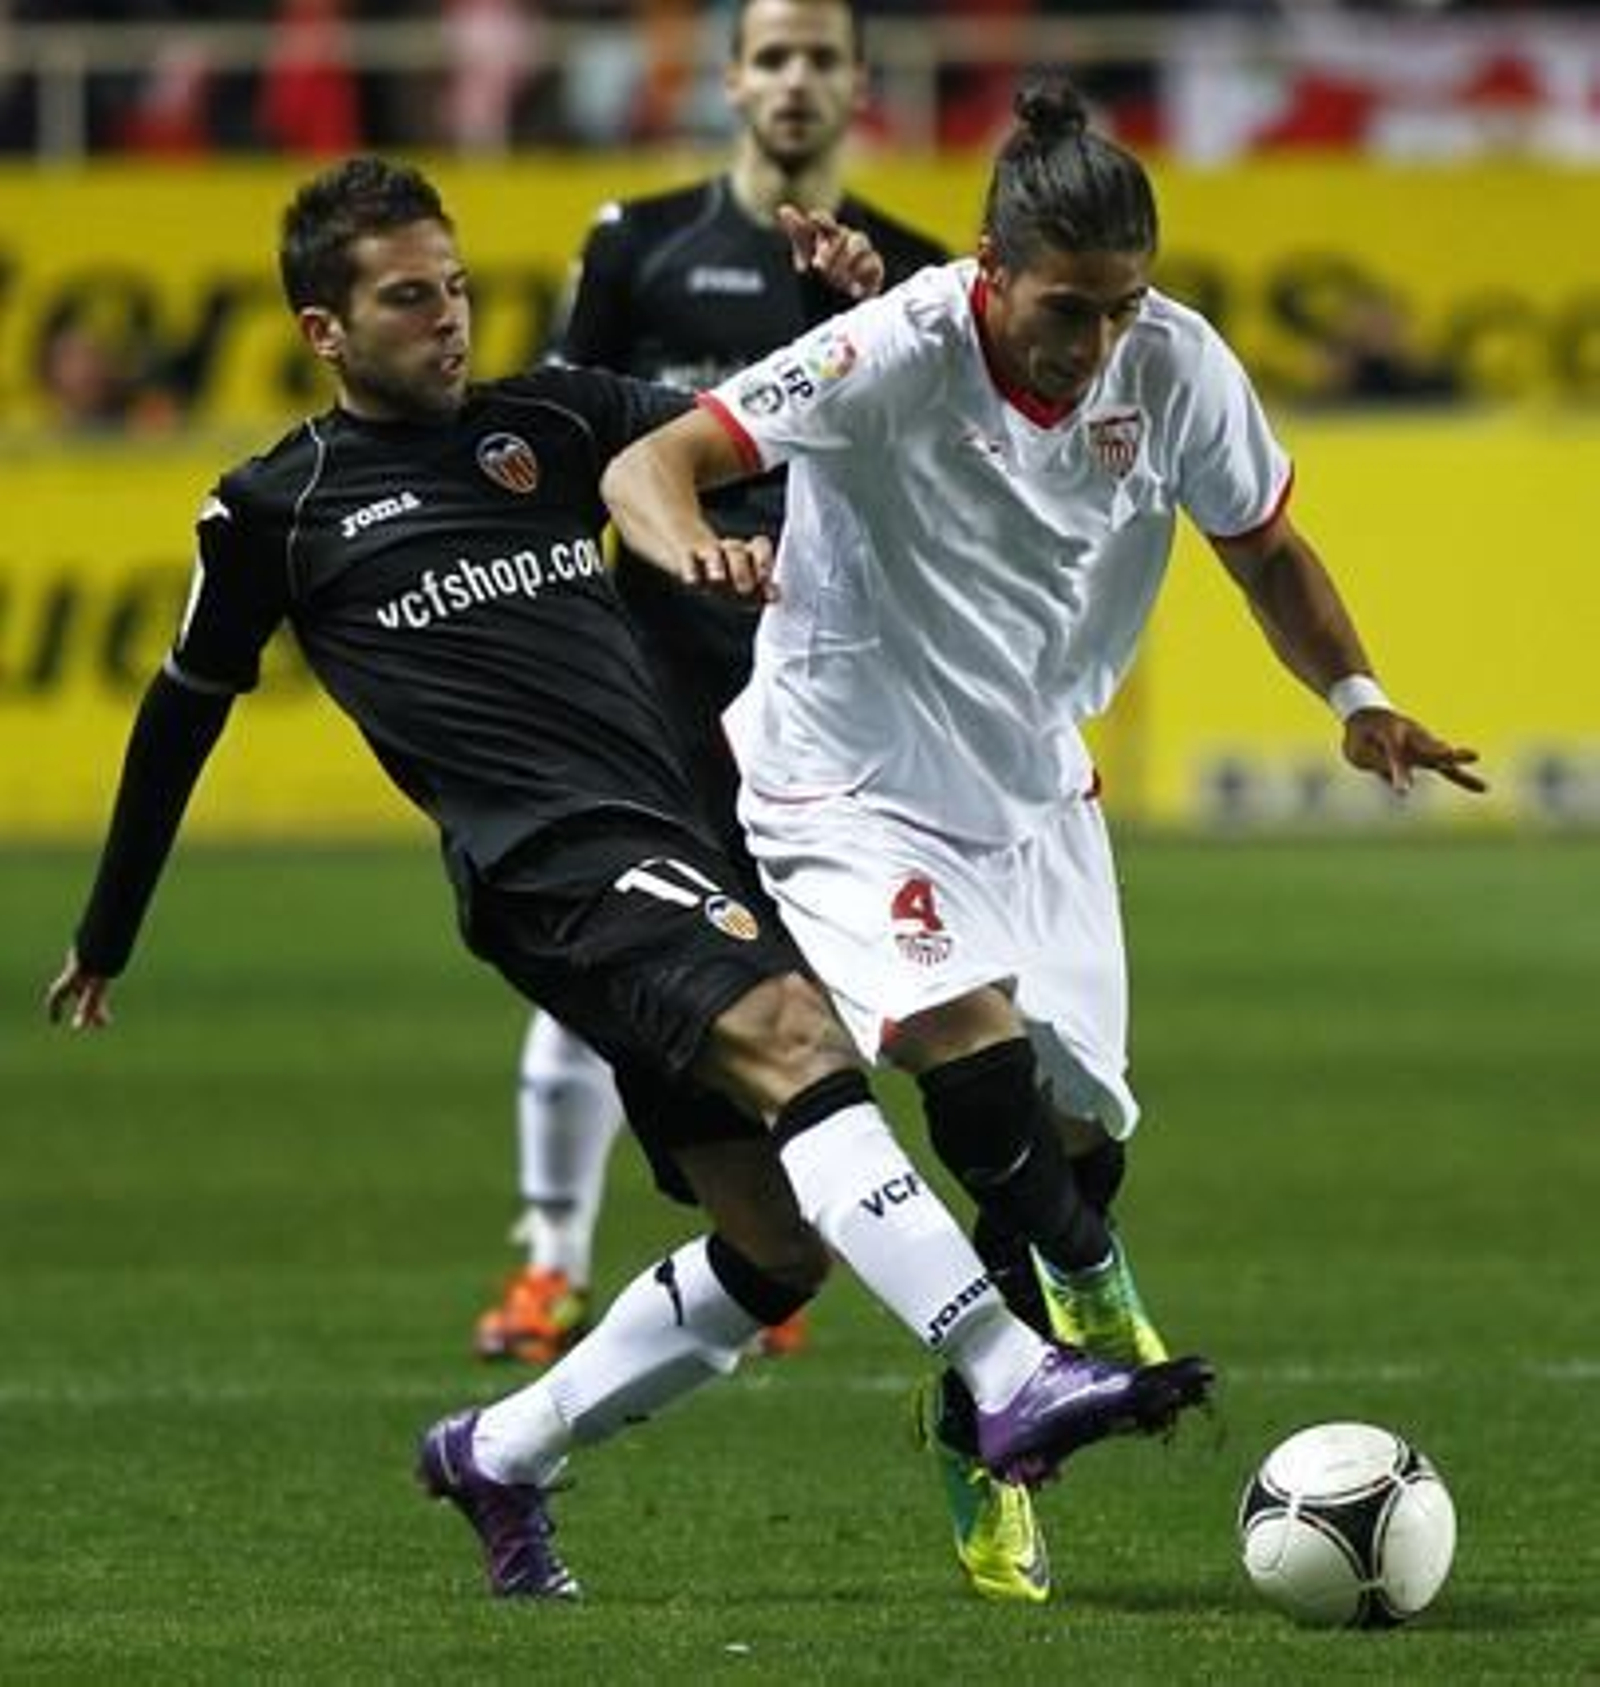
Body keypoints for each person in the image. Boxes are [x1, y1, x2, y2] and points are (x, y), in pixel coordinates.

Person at [44, 156, 1214, 1605]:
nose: (449, 320)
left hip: (682, 834)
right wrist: (110, 933)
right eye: (409, 300)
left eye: (458, 287)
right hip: (547, 866)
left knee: (775, 1247)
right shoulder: (277, 508)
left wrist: (891, 325)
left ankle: (501, 1451)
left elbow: (797, 428)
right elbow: (182, 707)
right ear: (323, 329)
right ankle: (1008, 1371)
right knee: (800, 1044)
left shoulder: (554, 419)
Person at [600, 72, 1487, 1604]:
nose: (1096, 345)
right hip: (841, 773)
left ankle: (975, 1423)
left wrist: (1357, 693)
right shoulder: (899, 344)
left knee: (1081, 1144)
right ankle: (1081, 1281)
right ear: (989, 271)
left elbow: (1265, 544)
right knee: (969, 1045)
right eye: (1068, 309)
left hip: (1029, 782)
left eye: (1122, 308)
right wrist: (690, 540)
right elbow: (651, 462)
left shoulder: (1182, 370)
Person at [475, 0, 947, 1379]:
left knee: (796, 974)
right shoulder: (642, 244)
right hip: (654, 676)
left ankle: (773, 1245)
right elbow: (558, 449)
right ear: (732, 79)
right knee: (609, 968)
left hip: (821, 683)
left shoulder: (907, 271)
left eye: (822, 58)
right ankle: (545, 1261)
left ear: (860, 84)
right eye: (774, 56)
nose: (797, 80)